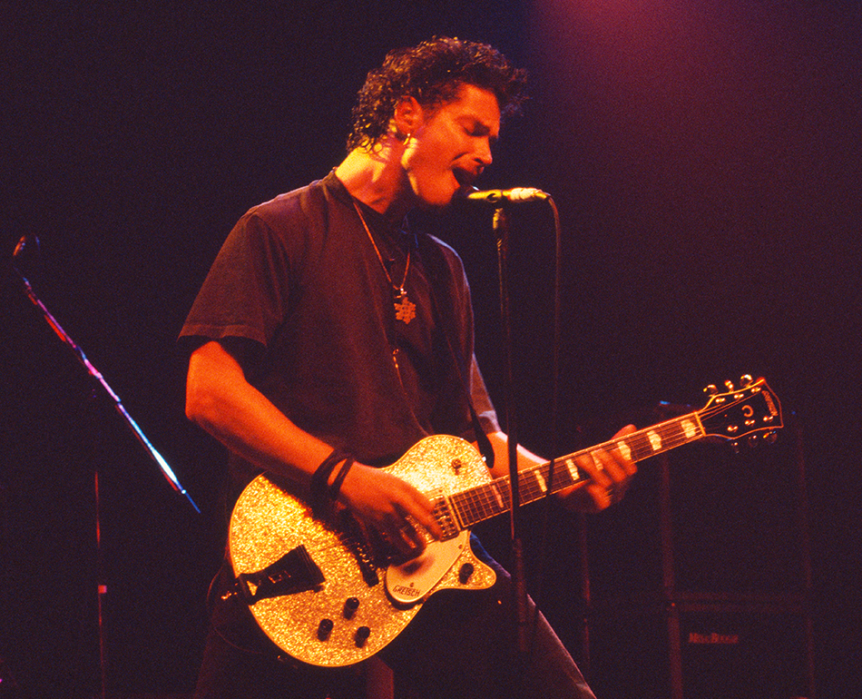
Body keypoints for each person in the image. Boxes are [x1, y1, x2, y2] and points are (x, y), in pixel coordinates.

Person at [180, 37, 636, 699]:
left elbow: (484, 442)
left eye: (492, 138)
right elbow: (209, 391)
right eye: (474, 129)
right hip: (298, 565)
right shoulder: (280, 228)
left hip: (426, 557)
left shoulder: (444, 269)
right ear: (408, 114)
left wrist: (567, 475)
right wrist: (343, 478)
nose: (486, 154)